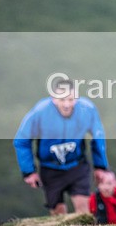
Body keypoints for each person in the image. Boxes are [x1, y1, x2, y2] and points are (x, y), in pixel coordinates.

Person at [13, 78, 109, 215]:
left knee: (84, 212)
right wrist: (29, 171)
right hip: (50, 168)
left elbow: (98, 137)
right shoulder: (40, 111)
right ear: (53, 98)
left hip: (77, 165)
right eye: (62, 99)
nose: (66, 104)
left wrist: (100, 166)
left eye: (71, 99)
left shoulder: (87, 109)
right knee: (58, 215)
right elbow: (21, 141)